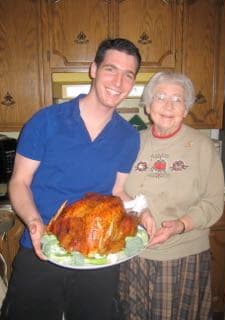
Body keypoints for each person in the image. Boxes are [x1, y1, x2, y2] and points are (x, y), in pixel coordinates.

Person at [0, 38, 141, 320]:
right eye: (111, 69)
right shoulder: (46, 121)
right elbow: (19, 182)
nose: (118, 81)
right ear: (93, 69)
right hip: (44, 246)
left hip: (97, 254)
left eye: (128, 75)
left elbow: (118, 191)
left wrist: (142, 210)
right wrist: (35, 222)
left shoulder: (128, 136)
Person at [118, 71, 225, 320]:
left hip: (183, 254)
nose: (168, 105)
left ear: (186, 109)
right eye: (160, 97)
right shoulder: (131, 142)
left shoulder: (202, 147)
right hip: (136, 253)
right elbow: (118, 191)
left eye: (177, 99)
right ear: (147, 105)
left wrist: (180, 225)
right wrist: (138, 211)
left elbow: (213, 202)